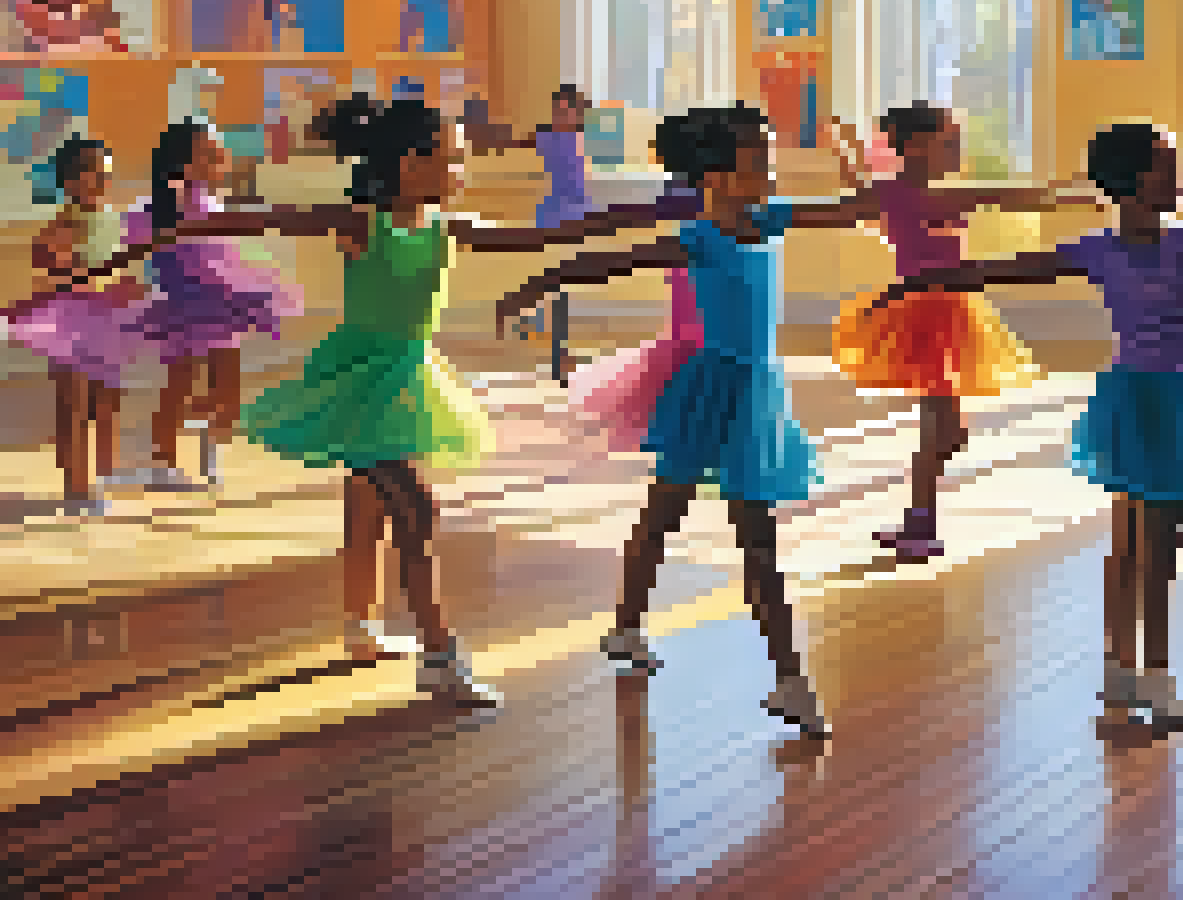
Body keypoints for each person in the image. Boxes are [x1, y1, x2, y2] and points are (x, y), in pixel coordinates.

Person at [63, 91, 691, 705]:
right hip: (363, 375)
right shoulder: (361, 222)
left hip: (411, 375)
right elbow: (253, 218)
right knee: (416, 508)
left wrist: (656, 212)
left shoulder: (451, 225)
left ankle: (360, 627)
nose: (461, 170)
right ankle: (440, 656)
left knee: (370, 506)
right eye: (450, 158)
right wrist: (137, 248)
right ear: (409, 164)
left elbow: (540, 238)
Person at [861, 122, 1183, 729]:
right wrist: (919, 282)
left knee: (1157, 542)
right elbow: (1006, 270)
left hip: (1175, 400)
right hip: (1133, 401)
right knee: (1134, 543)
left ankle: (1143, 669)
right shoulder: (1097, 249)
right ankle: (1131, 670)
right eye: (1167, 166)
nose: (1178, 177)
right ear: (1131, 184)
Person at [497, 106, 848, 734]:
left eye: (768, 154)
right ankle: (629, 628)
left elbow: (850, 208)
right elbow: (608, 261)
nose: (770, 167)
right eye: (756, 158)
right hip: (711, 386)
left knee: (755, 539)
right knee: (665, 514)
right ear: (714, 177)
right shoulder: (700, 237)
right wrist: (536, 284)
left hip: (756, 392)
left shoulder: (771, 219)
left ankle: (790, 680)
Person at [823, 105, 1096, 560]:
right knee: (943, 428)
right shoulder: (913, 195)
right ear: (913, 148)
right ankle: (920, 523)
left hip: (951, 310)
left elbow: (1025, 197)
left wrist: (1080, 191)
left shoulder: (918, 193)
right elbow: (1020, 198)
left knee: (950, 432)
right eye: (948, 143)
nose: (957, 150)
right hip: (925, 315)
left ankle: (918, 518)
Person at [125, 118, 302, 488]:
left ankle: (206, 434)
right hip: (182, 304)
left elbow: (225, 253)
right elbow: (139, 249)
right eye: (212, 153)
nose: (222, 159)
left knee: (227, 388)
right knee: (180, 381)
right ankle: (164, 460)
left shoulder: (211, 202)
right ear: (186, 161)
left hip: (221, 303)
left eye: (219, 153)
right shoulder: (154, 208)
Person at [4, 136, 150, 503]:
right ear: (69, 180)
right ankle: (77, 485)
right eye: (91, 171)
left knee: (107, 401)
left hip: (108, 321)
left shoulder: (111, 220)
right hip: (70, 320)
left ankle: (102, 475)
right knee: (73, 402)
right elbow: (53, 276)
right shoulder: (61, 227)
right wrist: (98, 284)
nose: (101, 179)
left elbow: (117, 264)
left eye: (105, 171)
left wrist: (128, 284)